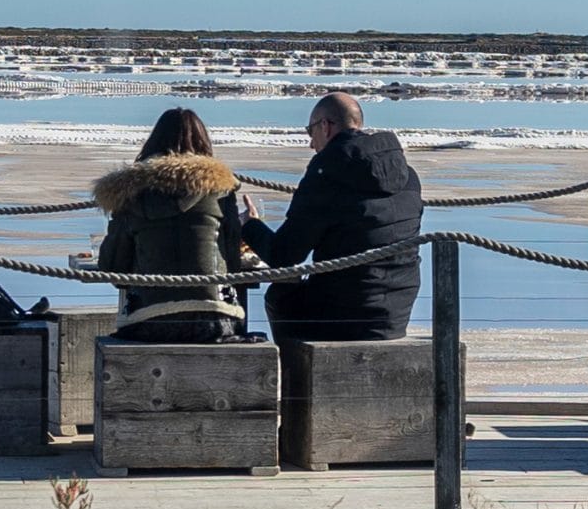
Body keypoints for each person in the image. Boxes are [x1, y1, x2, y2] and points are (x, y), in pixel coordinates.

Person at [242, 93, 423, 344]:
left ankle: (296, 374)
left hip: (344, 314)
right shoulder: (408, 175)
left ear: (325, 127)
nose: (310, 144)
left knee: (281, 293)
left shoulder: (326, 173)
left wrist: (250, 225)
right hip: (396, 312)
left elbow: (283, 255)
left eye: (310, 131)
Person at [92, 109, 253, 342]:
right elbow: (233, 268)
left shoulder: (129, 194)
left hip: (147, 321)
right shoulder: (220, 191)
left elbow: (114, 271)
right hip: (216, 321)